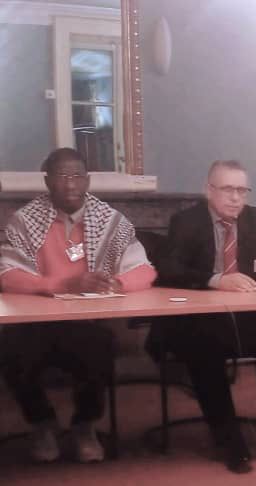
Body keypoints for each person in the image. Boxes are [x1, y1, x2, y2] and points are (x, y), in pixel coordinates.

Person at [150, 160, 256, 474]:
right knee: (204, 349)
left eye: (242, 190)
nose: (236, 198)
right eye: (228, 189)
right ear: (209, 190)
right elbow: (168, 269)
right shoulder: (186, 221)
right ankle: (228, 440)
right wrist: (215, 280)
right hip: (200, 317)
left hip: (248, 315)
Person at [0, 148, 156, 463]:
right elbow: (8, 275)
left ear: (87, 180)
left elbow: (145, 270)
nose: (70, 184)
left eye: (77, 176)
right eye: (62, 176)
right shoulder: (24, 221)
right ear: (48, 181)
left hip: (86, 323)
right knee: (9, 350)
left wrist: (115, 283)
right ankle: (42, 423)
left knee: (99, 347)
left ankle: (85, 425)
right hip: (33, 324)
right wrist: (61, 285)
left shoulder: (110, 221)